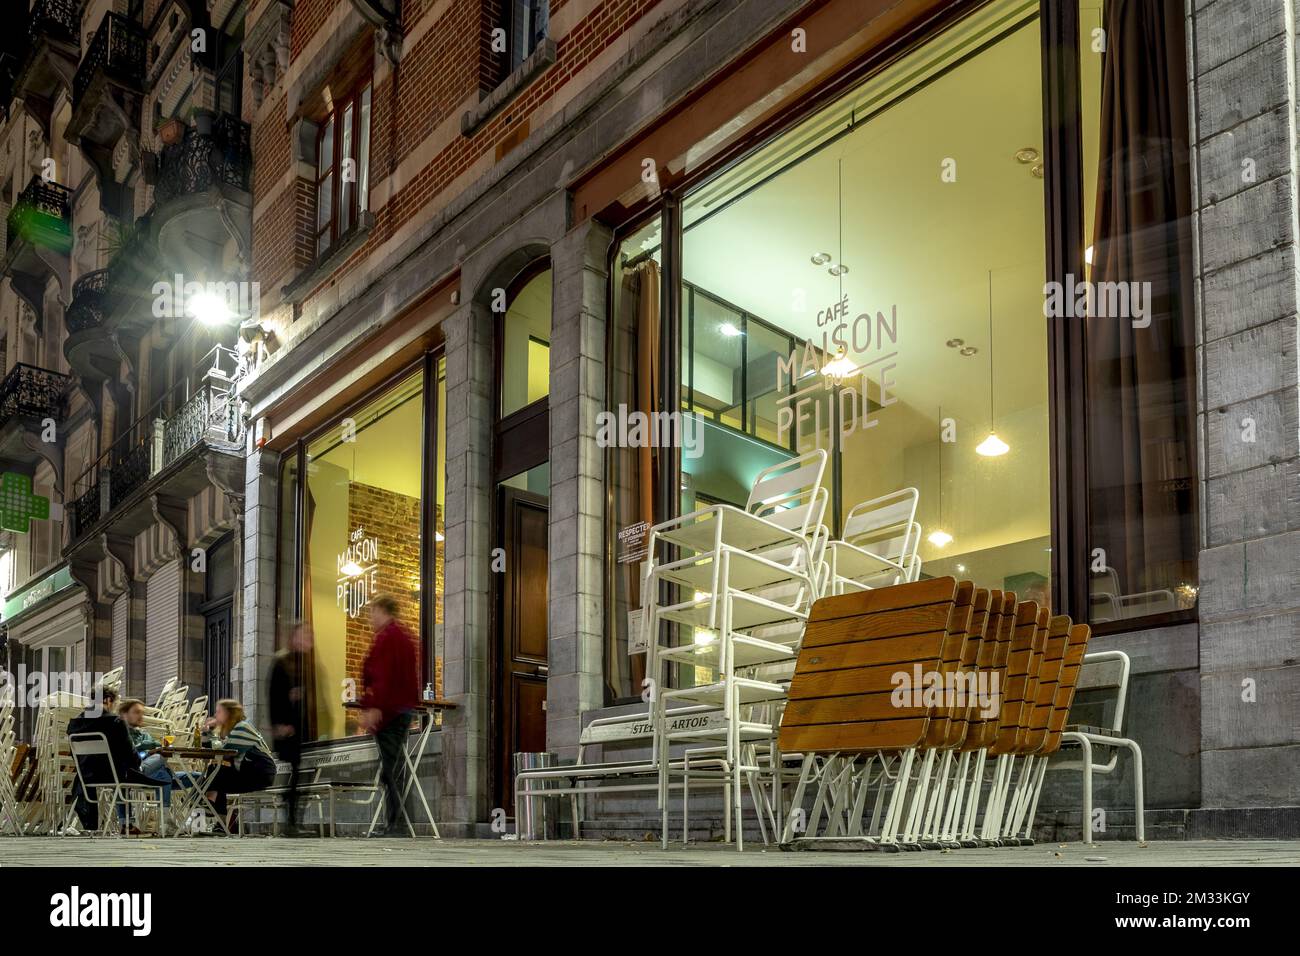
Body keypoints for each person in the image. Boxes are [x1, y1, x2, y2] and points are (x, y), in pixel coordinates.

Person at [359, 595, 419, 836]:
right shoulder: (402, 637)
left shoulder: (388, 638)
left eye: (373, 611)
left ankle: (397, 824)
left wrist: (374, 707)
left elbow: (383, 676)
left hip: (390, 712)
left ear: (383, 610)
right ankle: (396, 822)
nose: (371, 617)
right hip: (400, 710)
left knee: (389, 770)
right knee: (392, 768)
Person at [66, 686, 154, 833]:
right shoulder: (115, 722)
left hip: (86, 776)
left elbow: (73, 753)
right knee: (156, 761)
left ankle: (126, 823)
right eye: (114, 703)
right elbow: (130, 755)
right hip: (114, 775)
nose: (114, 707)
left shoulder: (74, 724)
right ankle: (131, 822)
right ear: (107, 700)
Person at [269, 622, 315, 835]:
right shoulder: (282, 661)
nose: (309, 639)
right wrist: (279, 724)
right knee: (297, 771)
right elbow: (274, 696)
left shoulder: (305, 661)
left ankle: (293, 818)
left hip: (301, 727)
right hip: (287, 727)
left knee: (300, 772)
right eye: (304, 635)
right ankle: (291, 820)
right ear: (294, 637)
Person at [201, 699, 277, 826]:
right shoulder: (233, 731)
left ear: (229, 714)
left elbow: (224, 752)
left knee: (217, 770)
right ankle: (218, 819)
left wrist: (212, 731)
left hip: (261, 773)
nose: (215, 715)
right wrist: (207, 731)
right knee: (216, 771)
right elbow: (212, 748)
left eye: (219, 712)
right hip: (249, 772)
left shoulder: (242, 727)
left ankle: (208, 803)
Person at [117, 699, 178, 809]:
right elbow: (124, 755)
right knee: (161, 763)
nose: (141, 716)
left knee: (199, 778)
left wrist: (148, 751)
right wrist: (145, 748)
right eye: (136, 712)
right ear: (124, 714)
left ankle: (167, 819)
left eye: (142, 713)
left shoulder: (144, 734)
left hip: (150, 774)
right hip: (127, 774)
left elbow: (155, 746)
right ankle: (165, 819)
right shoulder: (118, 733)